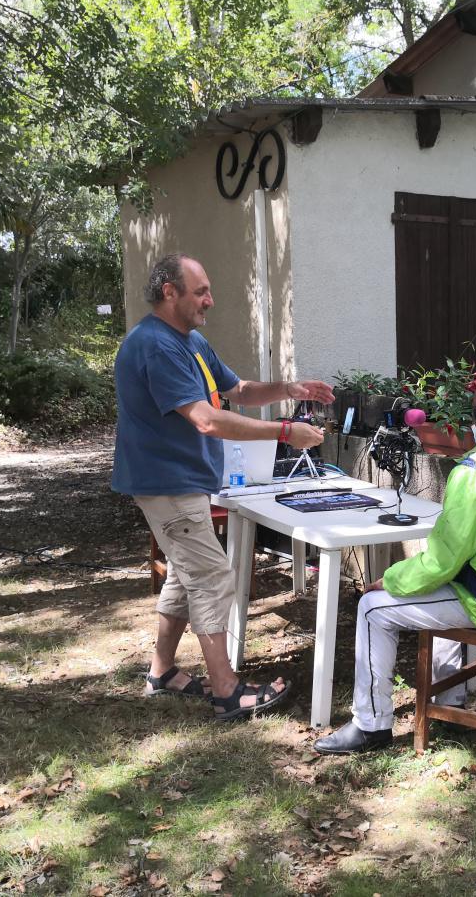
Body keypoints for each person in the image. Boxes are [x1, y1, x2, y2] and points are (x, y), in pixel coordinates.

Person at [113, 253, 334, 722]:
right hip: (167, 482)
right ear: (169, 292)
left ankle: (163, 671)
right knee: (212, 577)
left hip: (185, 482)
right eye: (200, 292)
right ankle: (227, 690)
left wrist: (289, 390)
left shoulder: (190, 342)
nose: (209, 301)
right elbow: (208, 420)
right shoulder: (156, 346)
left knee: (184, 573)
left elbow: (237, 391)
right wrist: (283, 433)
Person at [314, 369, 476, 754]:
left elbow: (444, 561)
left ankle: (371, 725)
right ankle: (451, 705)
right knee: (442, 588)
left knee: (371, 608)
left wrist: (391, 579)